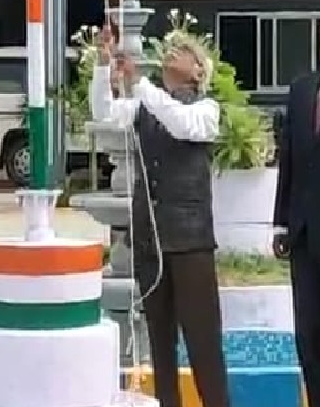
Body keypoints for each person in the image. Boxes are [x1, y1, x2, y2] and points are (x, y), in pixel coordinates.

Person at [90, 26, 230, 407]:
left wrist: (139, 84)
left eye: (183, 50)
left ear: (198, 71)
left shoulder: (206, 110)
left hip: (190, 243)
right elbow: (105, 113)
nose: (172, 51)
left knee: (203, 345)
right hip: (151, 241)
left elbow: (180, 123)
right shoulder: (145, 106)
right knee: (160, 346)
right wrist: (103, 67)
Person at [272, 17, 320, 407]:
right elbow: (289, 159)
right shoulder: (302, 89)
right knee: (309, 336)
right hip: (303, 233)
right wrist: (281, 223)